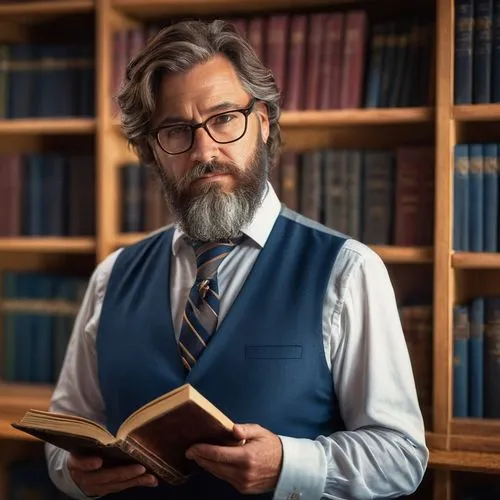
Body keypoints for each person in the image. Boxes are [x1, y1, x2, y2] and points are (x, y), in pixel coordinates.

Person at [45, 19, 429, 500]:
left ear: (263, 122)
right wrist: (72, 473)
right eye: (177, 130)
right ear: (152, 150)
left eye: (225, 118)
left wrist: (292, 465)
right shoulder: (111, 276)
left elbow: (402, 455)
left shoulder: (349, 271)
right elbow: (67, 425)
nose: (205, 150)